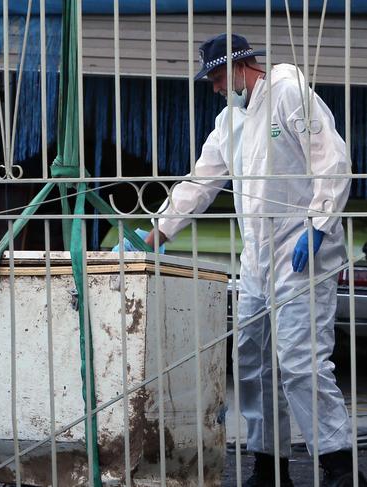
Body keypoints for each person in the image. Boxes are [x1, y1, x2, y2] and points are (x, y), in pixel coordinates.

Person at [133, 33, 364, 487]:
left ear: (243, 67)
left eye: (218, 78)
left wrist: (318, 225)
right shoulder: (229, 122)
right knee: (252, 358)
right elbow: (202, 181)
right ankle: (268, 461)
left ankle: (338, 463)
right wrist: (160, 230)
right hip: (257, 256)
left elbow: (332, 160)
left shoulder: (289, 93)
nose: (217, 88)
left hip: (302, 253)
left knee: (301, 361)